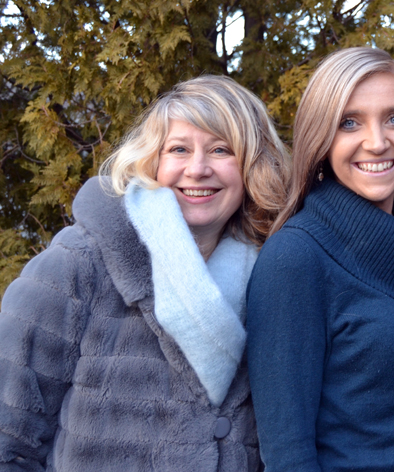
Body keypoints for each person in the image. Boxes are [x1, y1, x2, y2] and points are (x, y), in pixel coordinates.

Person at [0, 75, 289, 471]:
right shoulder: (77, 264)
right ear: (153, 162)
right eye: (179, 149)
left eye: (221, 150)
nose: (198, 168)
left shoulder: (274, 275)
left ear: (252, 165)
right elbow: (9, 442)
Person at [246, 47, 394, 472]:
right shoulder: (296, 258)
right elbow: (287, 453)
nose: (377, 142)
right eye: (349, 123)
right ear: (321, 141)